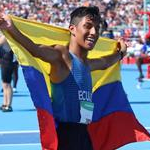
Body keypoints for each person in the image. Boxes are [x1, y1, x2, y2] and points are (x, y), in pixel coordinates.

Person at [0, 6, 127, 149]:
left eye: (97, 28)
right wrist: (11, 28)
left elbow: (105, 62)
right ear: (72, 29)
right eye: (88, 26)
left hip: (84, 135)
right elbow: (35, 49)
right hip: (66, 137)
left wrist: (121, 53)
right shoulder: (62, 57)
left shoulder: (87, 63)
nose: (94, 32)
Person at [0, 35, 13, 112]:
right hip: (4, 60)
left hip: (8, 60)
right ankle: (5, 103)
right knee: (4, 84)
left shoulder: (5, 36)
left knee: (7, 83)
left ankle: (9, 104)